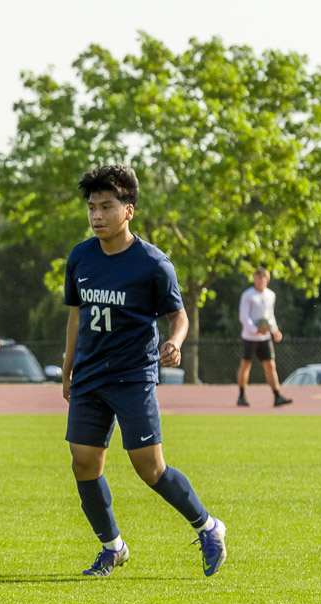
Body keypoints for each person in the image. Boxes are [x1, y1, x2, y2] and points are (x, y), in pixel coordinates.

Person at [62, 164, 226, 578]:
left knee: (149, 468)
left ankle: (208, 527)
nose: (97, 216)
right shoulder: (80, 257)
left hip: (134, 377)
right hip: (88, 377)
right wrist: (67, 370)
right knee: (83, 462)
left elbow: (179, 315)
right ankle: (112, 546)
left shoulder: (153, 263)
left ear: (129, 210)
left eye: (106, 206)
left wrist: (175, 342)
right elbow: (76, 318)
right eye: (91, 208)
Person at [236, 268, 292, 407]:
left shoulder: (271, 295)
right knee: (245, 365)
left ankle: (277, 396)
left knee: (270, 366)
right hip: (249, 337)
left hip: (265, 339)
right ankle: (242, 396)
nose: (258, 281)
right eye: (256, 278)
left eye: (261, 278)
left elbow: (270, 316)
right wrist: (255, 330)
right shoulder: (248, 295)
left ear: (267, 280)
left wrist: (275, 330)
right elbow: (243, 316)